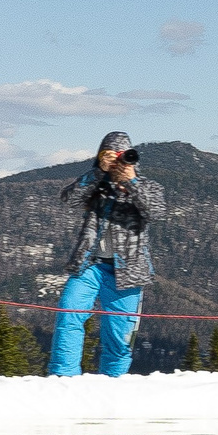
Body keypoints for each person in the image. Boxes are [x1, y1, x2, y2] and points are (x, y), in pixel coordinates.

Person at [51, 132, 165, 379]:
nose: (120, 161)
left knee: (118, 337)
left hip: (129, 272)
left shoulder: (148, 186)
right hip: (89, 265)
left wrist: (131, 182)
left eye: (125, 156)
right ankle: (63, 378)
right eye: (113, 156)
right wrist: (97, 172)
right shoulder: (96, 185)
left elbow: (156, 211)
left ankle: (113, 384)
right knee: (69, 314)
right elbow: (68, 198)